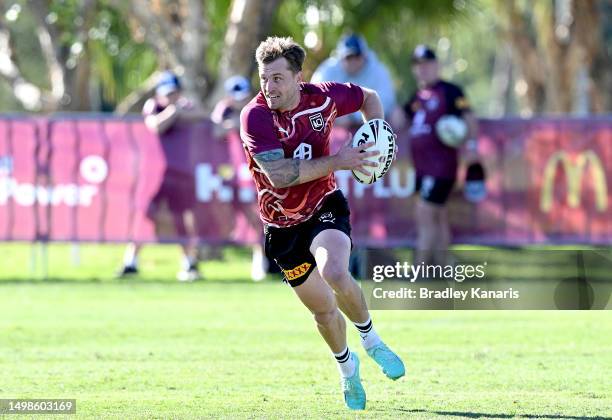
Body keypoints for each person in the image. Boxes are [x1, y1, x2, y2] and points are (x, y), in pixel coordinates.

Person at [240, 36, 405, 410]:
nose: (270, 87)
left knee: (334, 271)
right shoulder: (255, 115)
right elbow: (280, 176)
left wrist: (376, 137)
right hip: (281, 227)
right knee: (323, 311)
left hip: (323, 206)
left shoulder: (324, 97)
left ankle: (373, 340)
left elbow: (369, 97)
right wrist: (340, 160)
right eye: (265, 78)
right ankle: (349, 371)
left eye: (278, 78)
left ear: (298, 77)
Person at [117, 71, 203, 282]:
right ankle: (131, 262)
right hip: (156, 175)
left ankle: (188, 264)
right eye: (167, 93)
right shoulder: (155, 106)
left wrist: (179, 111)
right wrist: (174, 112)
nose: (170, 97)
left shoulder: (186, 106)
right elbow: (155, 125)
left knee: (181, 219)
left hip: (181, 175)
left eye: (174, 93)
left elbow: (201, 115)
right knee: (145, 215)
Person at [399, 45, 479, 266]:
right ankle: (445, 267)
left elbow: (470, 119)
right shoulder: (416, 97)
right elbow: (399, 119)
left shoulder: (451, 91)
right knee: (438, 216)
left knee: (424, 214)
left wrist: (471, 145)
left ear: (436, 65)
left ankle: (419, 271)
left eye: (426, 64)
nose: (422, 70)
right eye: (417, 66)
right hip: (422, 169)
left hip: (441, 168)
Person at [211, 75, 278, 281]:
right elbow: (215, 130)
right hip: (230, 175)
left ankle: (261, 259)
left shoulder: (257, 108)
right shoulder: (224, 109)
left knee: (258, 217)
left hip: (255, 172)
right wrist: (230, 125)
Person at [311, 33, 396, 127]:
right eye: (349, 57)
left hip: (371, 124)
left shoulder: (377, 70)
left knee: (396, 115)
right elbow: (314, 98)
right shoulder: (328, 70)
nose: (353, 61)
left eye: (357, 56)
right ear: (341, 58)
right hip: (337, 126)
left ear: (364, 56)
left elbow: (387, 100)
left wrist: (352, 117)